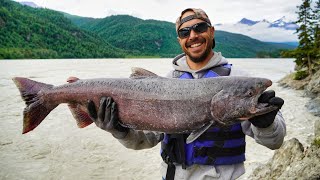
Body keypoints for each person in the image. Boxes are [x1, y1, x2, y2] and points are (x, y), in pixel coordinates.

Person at [69, 8, 286, 180]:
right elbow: (143, 141)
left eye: (200, 27)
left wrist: (266, 124)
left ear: (211, 31)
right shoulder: (165, 82)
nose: (193, 35)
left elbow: (275, 142)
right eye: (185, 32)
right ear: (180, 39)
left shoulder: (240, 82)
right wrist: (117, 130)